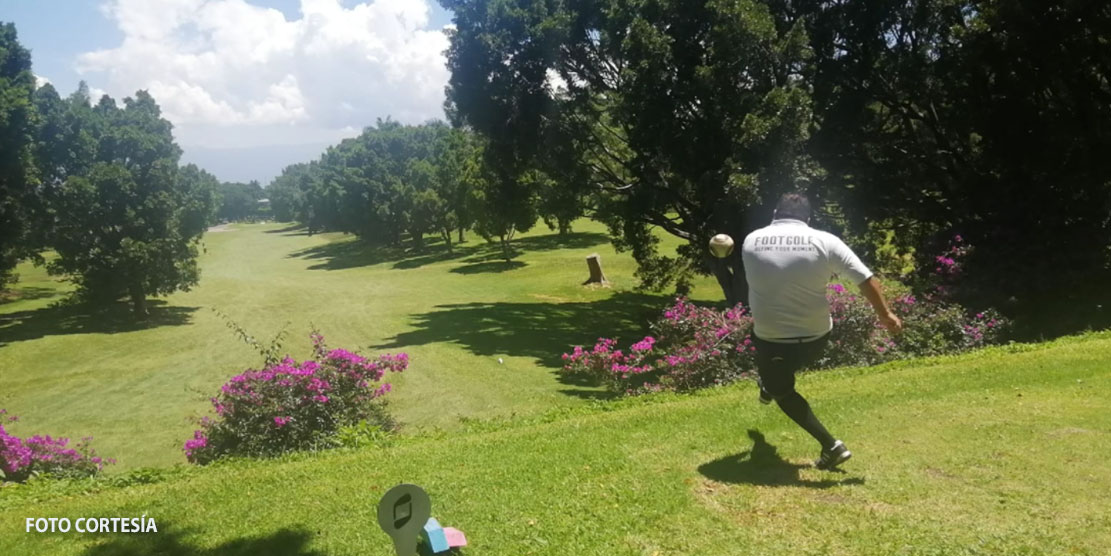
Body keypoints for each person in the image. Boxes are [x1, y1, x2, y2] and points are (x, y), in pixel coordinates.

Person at [741, 193, 903, 469]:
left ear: (775, 214)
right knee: (775, 367)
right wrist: (885, 314)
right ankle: (769, 382)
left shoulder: (751, 240)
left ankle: (832, 446)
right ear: (808, 219)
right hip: (817, 336)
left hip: (772, 339)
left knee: (781, 388)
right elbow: (865, 279)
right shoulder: (825, 240)